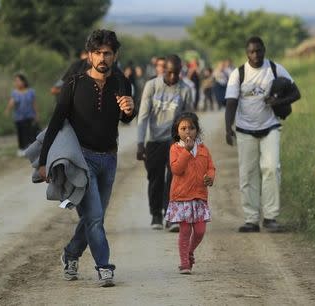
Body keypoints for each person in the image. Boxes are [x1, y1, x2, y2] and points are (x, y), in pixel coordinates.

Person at [38, 29, 136, 287]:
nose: (102, 58)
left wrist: (130, 110)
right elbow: (56, 122)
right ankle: (104, 267)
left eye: (107, 53)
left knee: (95, 217)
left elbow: (125, 118)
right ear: (89, 55)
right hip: (81, 161)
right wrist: (43, 161)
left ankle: (71, 254)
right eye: (97, 53)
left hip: (110, 159)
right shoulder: (74, 84)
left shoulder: (122, 82)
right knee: (93, 217)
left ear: (115, 56)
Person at [225, 36, 301, 233]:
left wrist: (278, 102)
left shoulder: (275, 69)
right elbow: (231, 102)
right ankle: (251, 219)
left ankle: (270, 217)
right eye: (252, 51)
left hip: (270, 127)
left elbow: (296, 93)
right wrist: (228, 128)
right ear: (246, 53)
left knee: (271, 169)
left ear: (264, 50)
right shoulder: (238, 74)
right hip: (245, 130)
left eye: (259, 51)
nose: (256, 55)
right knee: (248, 174)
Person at [136, 54, 193, 232]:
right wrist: (140, 143)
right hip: (154, 140)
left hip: (175, 141)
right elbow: (143, 116)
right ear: (163, 71)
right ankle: (156, 214)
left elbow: (189, 118)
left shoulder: (185, 89)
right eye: (170, 73)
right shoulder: (152, 86)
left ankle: (172, 216)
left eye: (177, 73)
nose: (173, 77)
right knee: (155, 179)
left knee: (175, 178)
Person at [165, 112, 215, 274]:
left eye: (192, 128)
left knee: (200, 231)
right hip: (182, 197)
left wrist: (210, 177)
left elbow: (210, 167)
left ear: (197, 130)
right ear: (177, 131)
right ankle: (185, 263)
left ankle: (190, 251)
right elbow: (176, 169)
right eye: (183, 128)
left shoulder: (203, 149)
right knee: (185, 231)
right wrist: (186, 151)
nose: (188, 132)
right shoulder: (175, 149)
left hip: (199, 196)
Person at [4, 73, 39, 156]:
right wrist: (7, 110)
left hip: (29, 116)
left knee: (30, 132)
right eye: (15, 81)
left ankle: (30, 148)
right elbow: (11, 102)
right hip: (19, 117)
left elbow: (34, 103)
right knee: (21, 133)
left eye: (18, 81)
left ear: (23, 82)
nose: (16, 83)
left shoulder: (31, 91)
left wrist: (37, 114)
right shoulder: (15, 93)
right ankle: (21, 149)